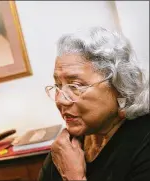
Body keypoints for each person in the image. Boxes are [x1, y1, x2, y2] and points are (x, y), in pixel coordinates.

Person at [39, 27, 149, 181]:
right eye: (58, 86)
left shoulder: (144, 141)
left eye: (75, 86)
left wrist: (74, 178)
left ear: (119, 86)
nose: (60, 99)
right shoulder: (67, 146)